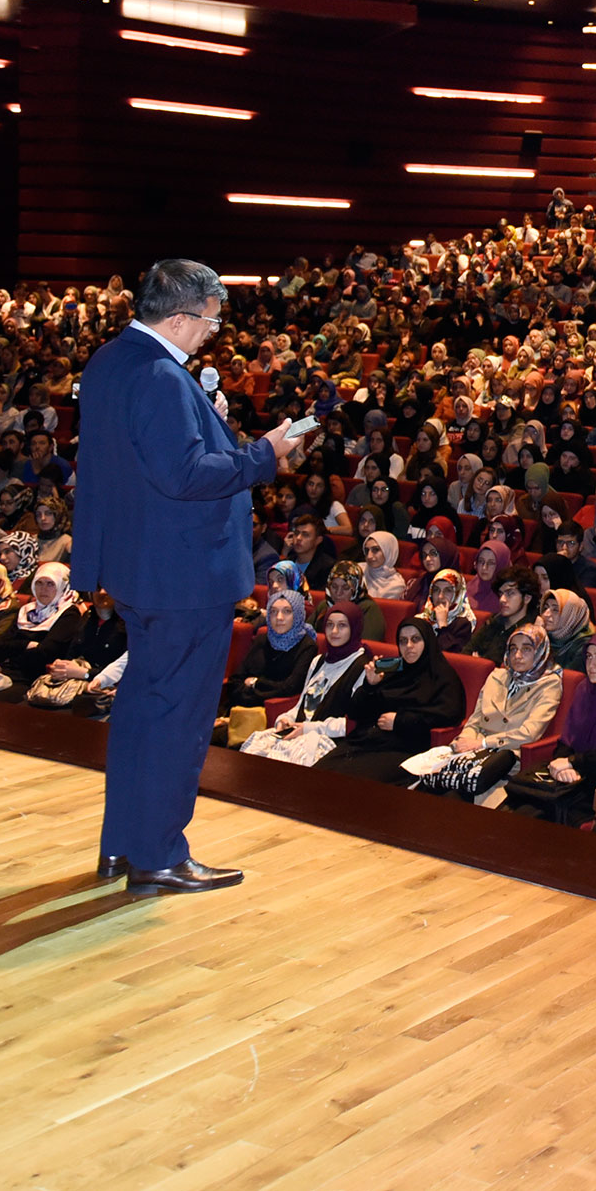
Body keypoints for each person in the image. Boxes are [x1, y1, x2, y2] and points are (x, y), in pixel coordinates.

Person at [72, 258, 301, 893]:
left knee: (143, 711)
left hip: (138, 571)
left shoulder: (110, 362)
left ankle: (123, 846)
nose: (213, 332)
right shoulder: (163, 379)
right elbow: (185, 476)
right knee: (178, 720)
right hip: (184, 578)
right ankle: (160, 856)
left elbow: (151, 458)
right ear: (178, 317)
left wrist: (207, 417)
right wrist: (264, 454)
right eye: (209, 320)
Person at [509, 627, 596, 824]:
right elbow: (568, 737)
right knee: (524, 804)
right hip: (572, 772)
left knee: (548, 810)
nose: (592, 665)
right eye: (589, 657)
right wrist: (563, 764)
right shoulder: (585, 688)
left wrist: (574, 762)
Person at [323, 616, 469, 781]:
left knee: (349, 785)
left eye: (415, 639)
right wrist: (370, 686)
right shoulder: (392, 670)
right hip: (365, 741)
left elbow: (450, 714)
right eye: (403, 641)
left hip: (404, 748)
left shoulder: (442, 675)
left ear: (427, 641)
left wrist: (400, 720)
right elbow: (355, 712)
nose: (409, 646)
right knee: (318, 774)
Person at [240, 606, 370, 766]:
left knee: (283, 761)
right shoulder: (319, 661)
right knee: (254, 749)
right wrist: (286, 719)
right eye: (330, 625)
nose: (334, 631)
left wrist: (308, 729)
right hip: (299, 731)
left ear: (354, 628)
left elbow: (351, 724)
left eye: (342, 625)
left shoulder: (363, 667)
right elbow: (301, 705)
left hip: (327, 739)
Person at [220, 582, 317, 714]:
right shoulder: (262, 638)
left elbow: (289, 688)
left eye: (287, 611)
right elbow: (235, 680)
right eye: (273, 611)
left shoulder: (307, 646)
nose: (279, 618)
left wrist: (255, 683)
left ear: (298, 615)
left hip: (274, 714)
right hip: (239, 711)